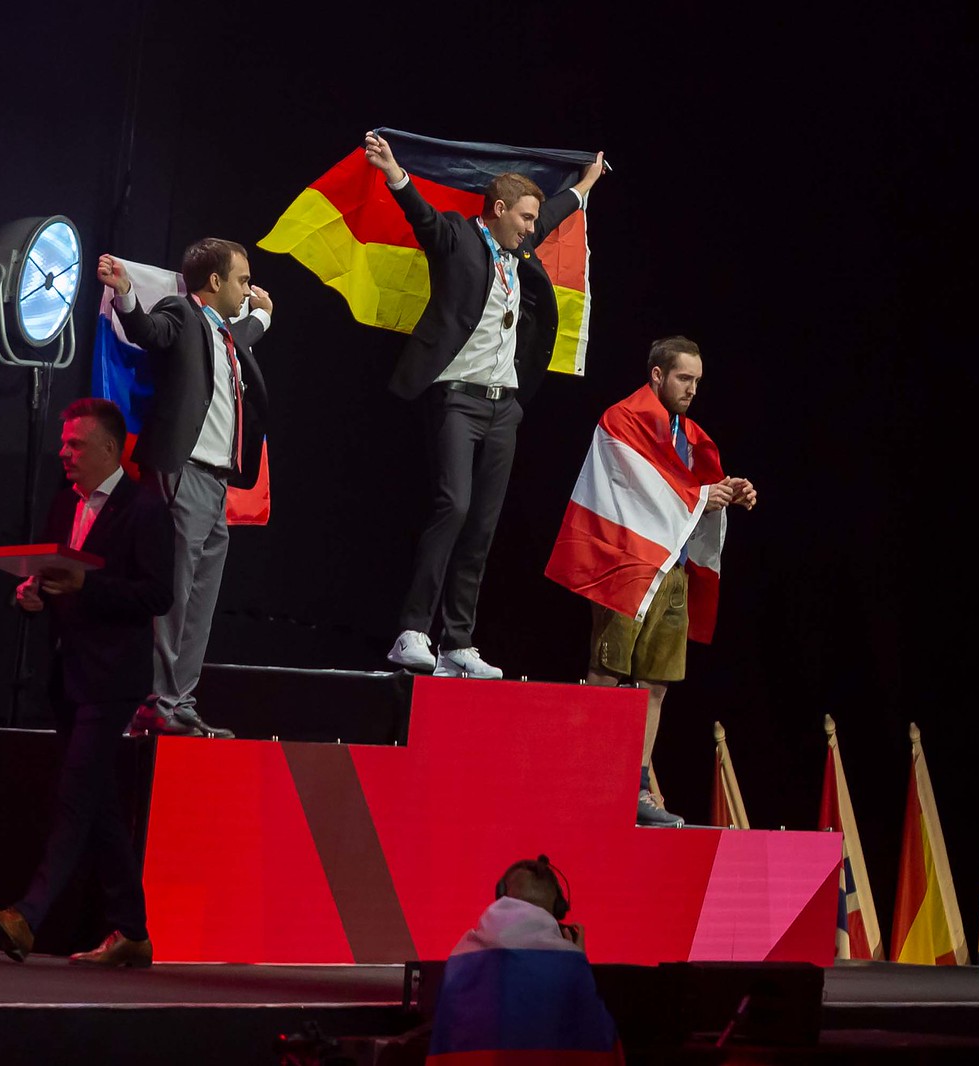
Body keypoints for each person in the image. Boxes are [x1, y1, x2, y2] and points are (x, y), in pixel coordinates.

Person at [363, 130, 606, 681]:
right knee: (455, 505)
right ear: (497, 210)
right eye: (523, 217)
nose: (530, 228)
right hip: (456, 399)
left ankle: (458, 643)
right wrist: (392, 170)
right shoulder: (458, 237)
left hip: (505, 408)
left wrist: (587, 183)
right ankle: (412, 632)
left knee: (485, 524)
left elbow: (559, 211)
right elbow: (422, 217)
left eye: (532, 221)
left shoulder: (518, 246)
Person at [0, 399, 173, 967]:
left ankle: (27, 917)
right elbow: (48, 574)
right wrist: (32, 596)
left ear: (110, 450)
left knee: (74, 796)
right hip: (68, 672)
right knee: (99, 803)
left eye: (75, 445)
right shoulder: (65, 503)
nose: (63, 454)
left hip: (113, 678)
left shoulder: (143, 509)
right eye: (64, 444)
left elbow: (156, 595)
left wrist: (86, 588)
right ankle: (132, 932)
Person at [545, 337, 757, 828]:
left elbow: (691, 492)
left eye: (698, 381)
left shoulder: (694, 435)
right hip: (628, 566)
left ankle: (636, 787)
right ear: (658, 375)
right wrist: (705, 491)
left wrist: (731, 490)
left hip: (672, 571)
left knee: (655, 685)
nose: (692, 389)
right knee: (608, 672)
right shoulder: (622, 419)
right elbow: (648, 489)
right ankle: (590, 780)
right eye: (684, 379)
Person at [99, 239, 274, 739]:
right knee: (174, 596)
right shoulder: (182, 313)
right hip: (185, 473)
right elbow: (148, 331)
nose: (247, 289)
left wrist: (262, 317)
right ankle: (157, 704)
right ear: (214, 282)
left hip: (218, 484)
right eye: (242, 280)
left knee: (201, 600)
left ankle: (180, 702)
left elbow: (241, 335)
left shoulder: (224, 335)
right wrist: (128, 293)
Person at [427, 856, 622, 1063]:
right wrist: (579, 960)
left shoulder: (461, 956)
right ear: (557, 909)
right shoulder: (570, 964)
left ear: (501, 895)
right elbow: (600, 1044)